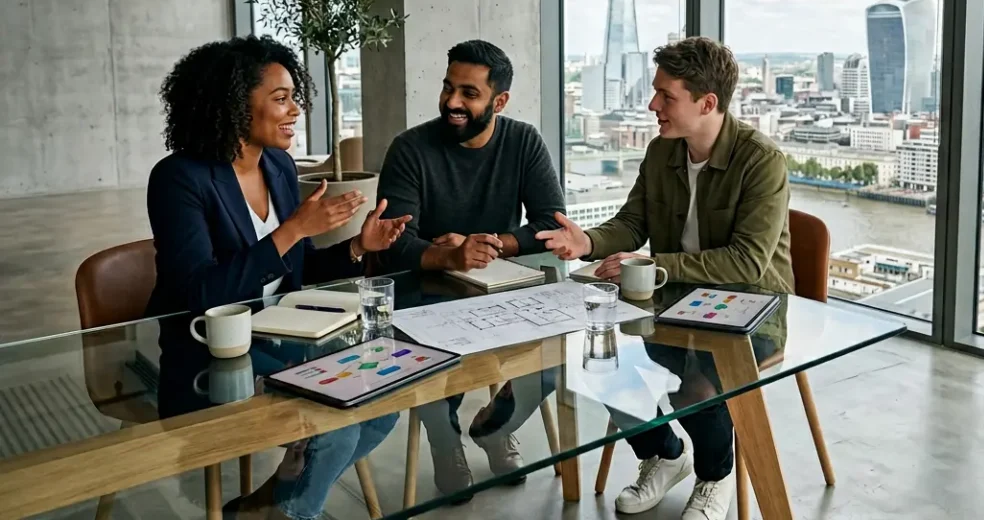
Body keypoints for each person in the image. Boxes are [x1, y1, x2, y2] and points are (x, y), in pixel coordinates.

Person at [146, 35, 411, 520]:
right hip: (210, 356)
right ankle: (287, 511)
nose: (295, 110)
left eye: (295, 96)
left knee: (382, 399)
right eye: (280, 98)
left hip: (281, 339)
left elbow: (298, 269)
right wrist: (290, 231)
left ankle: (270, 506)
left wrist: (357, 246)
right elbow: (199, 294)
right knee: (336, 423)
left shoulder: (279, 167)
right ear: (234, 104)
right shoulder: (179, 178)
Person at [537, 36, 793, 519]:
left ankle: (714, 477)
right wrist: (585, 242)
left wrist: (659, 268)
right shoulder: (661, 152)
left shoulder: (761, 161)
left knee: (694, 387)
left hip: (753, 307)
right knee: (599, 360)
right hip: (670, 299)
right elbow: (633, 223)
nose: (653, 104)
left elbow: (748, 262)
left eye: (665, 95)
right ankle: (665, 455)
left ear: (707, 102)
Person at [377, 39, 566, 497]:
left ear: (499, 101)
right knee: (430, 363)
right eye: (448, 88)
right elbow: (390, 243)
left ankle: (495, 428)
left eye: (469, 93)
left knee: (555, 358)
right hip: (423, 290)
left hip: (498, 284)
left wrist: (492, 244)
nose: (452, 102)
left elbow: (550, 222)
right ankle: (446, 447)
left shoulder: (523, 141)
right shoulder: (410, 149)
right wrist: (450, 256)